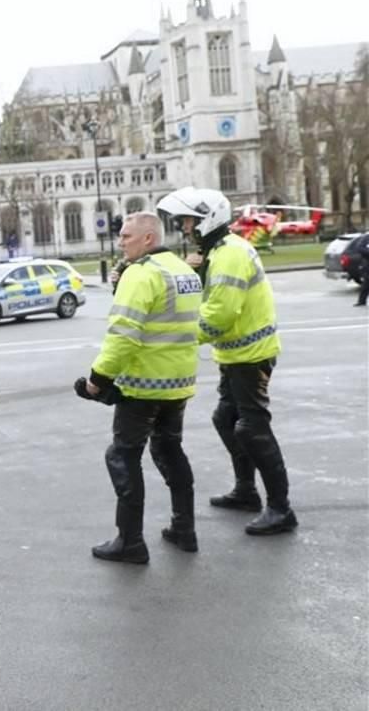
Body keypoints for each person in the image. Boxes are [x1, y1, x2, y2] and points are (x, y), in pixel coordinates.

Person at [157, 187, 297, 536]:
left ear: (208, 220)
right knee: (226, 419)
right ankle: (247, 491)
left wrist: (178, 338)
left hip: (251, 357)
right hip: (235, 356)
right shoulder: (219, 252)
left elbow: (219, 314)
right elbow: (209, 298)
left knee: (252, 428)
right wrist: (198, 273)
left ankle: (281, 509)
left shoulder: (230, 254)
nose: (186, 228)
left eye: (190, 221)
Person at [79, 213, 202, 563]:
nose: (120, 241)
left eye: (127, 236)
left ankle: (130, 541)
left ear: (148, 238)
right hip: (178, 385)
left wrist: (97, 381)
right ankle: (184, 529)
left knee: (122, 456)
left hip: (143, 387)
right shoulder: (183, 271)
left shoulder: (142, 273)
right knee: (170, 451)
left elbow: (123, 336)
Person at [353, 234, 369, 307]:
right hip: (367, 264)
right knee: (366, 283)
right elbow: (359, 248)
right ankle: (362, 301)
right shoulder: (366, 238)